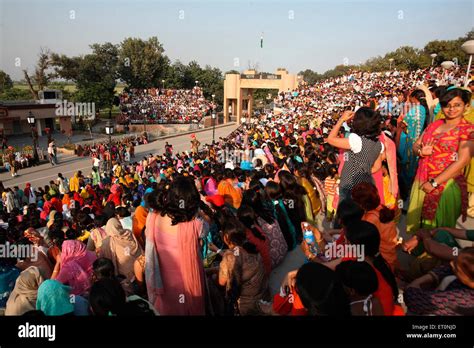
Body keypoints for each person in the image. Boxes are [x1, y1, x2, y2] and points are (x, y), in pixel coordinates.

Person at [407, 88, 474, 233]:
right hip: (423, 179)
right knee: (421, 225)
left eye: (457, 105)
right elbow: (416, 144)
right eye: (447, 105)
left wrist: (434, 183)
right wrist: (420, 151)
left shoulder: (467, 130)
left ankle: (436, 254)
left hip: (446, 184)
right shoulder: (435, 124)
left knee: (439, 230)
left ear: (466, 106)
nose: (451, 109)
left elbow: (462, 161)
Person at [145, 176, 206, 315]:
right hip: (188, 286)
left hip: (163, 284)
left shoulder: (154, 217)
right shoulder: (196, 225)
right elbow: (206, 226)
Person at [215, 217, 270, 315]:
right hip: (264, 295)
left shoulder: (230, 256)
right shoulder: (251, 246)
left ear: (226, 237)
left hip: (247, 306)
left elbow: (221, 282)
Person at [327, 107, 382, 203]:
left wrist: (342, 119)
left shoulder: (356, 141)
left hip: (350, 185)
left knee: (348, 213)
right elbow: (377, 166)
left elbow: (330, 139)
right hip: (367, 183)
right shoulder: (379, 143)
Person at [404, 247, 474, 315]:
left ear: (468, 277)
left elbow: (415, 301)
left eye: (457, 268)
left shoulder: (464, 301)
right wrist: (429, 277)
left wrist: (413, 285)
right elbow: (448, 268)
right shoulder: (468, 276)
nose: (451, 263)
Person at [99, 217, 143, 291]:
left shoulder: (107, 242)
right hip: (140, 267)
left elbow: (103, 260)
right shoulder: (128, 233)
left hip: (125, 277)